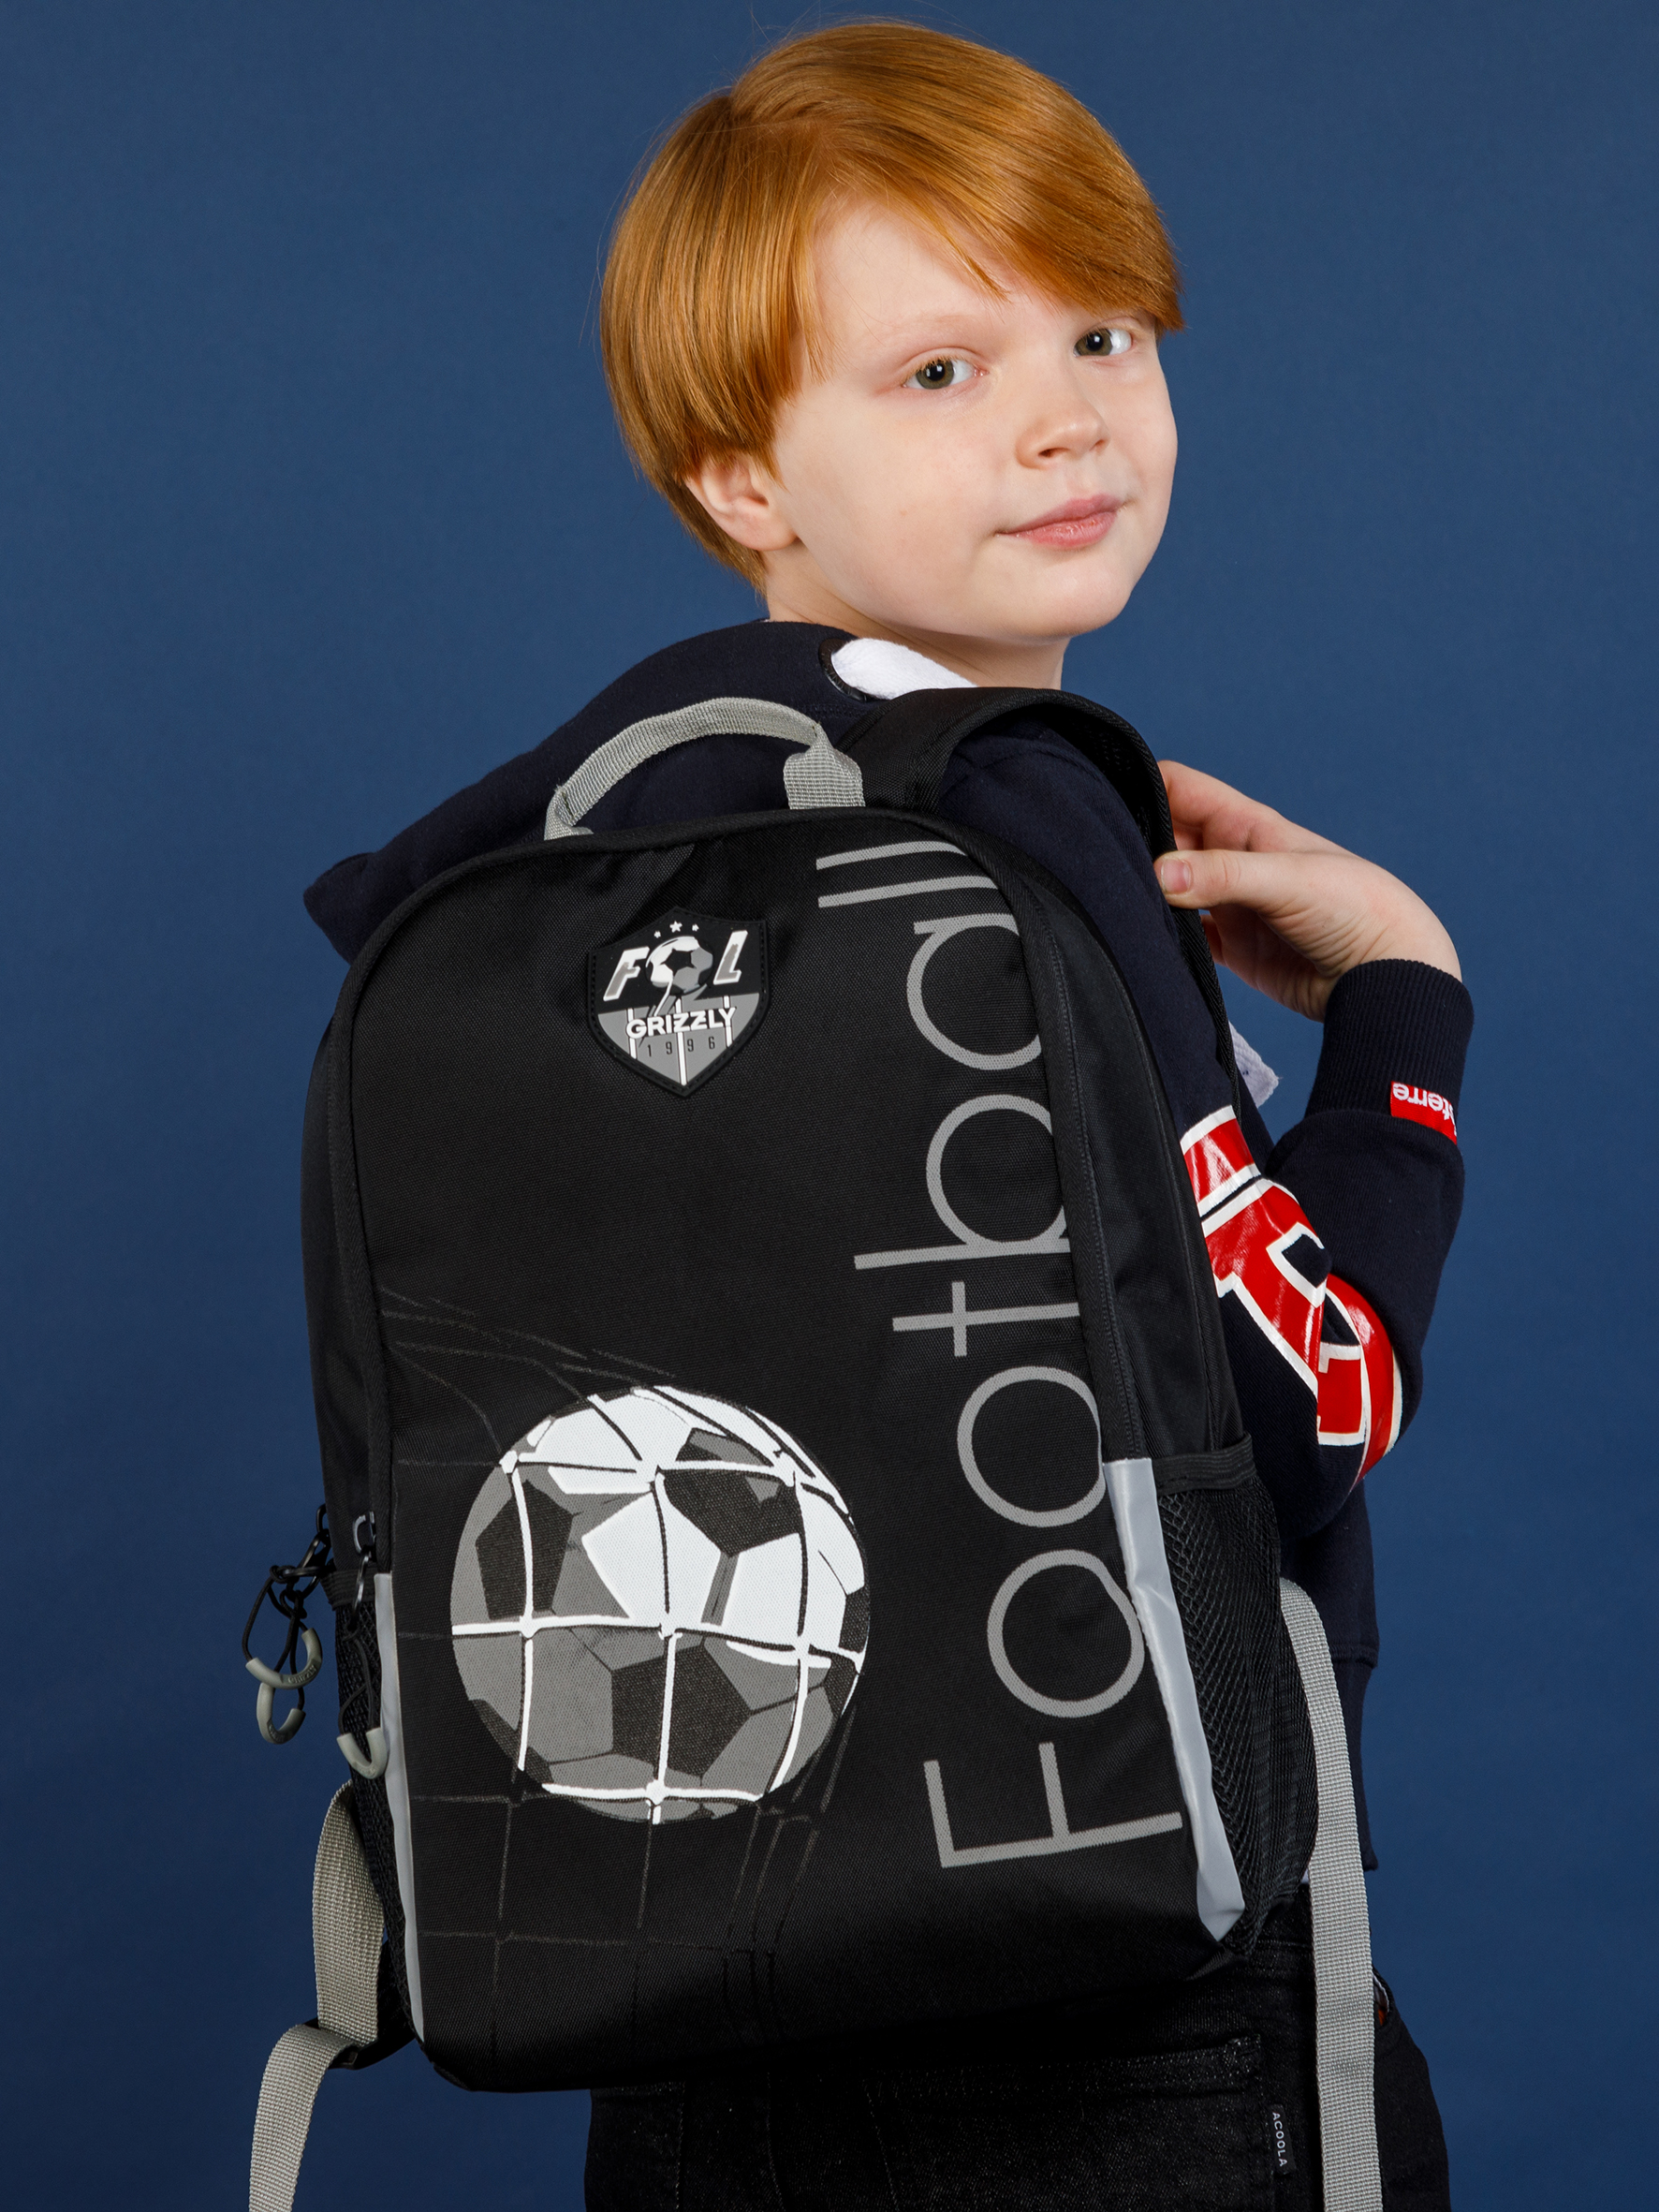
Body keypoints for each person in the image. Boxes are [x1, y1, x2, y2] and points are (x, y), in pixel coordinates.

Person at [305, 24, 1469, 2208]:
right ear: (742, 475)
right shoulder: (1015, 818)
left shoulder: (563, 854)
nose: (1066, 415)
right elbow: (1310, 1399)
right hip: (1127, 2006)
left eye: (1105, 331)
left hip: (680, 2010)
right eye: (937, 370)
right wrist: (1404, 1015)